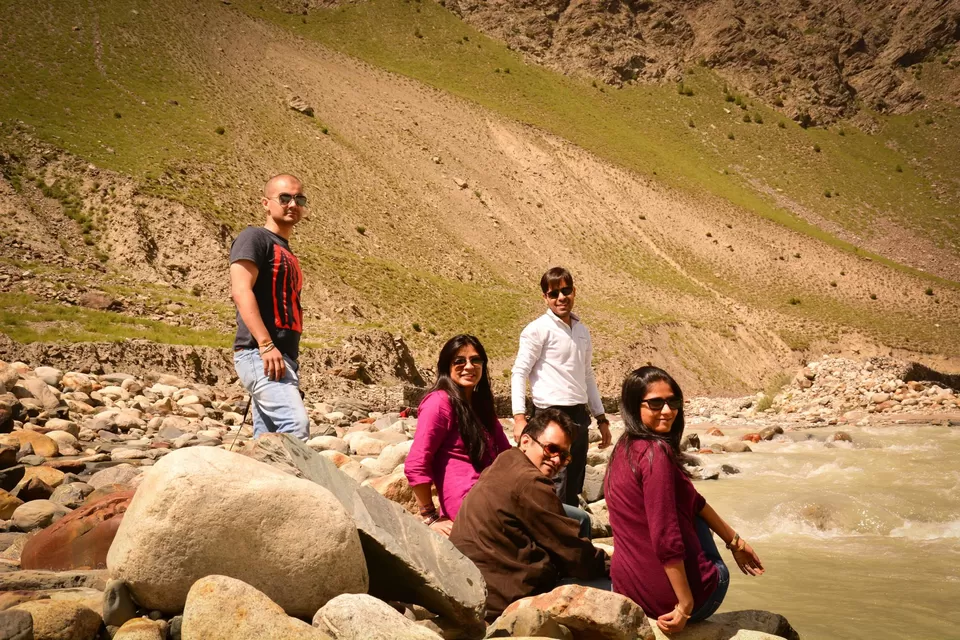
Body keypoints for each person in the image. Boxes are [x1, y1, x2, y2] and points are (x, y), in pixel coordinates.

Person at [604, 366, 764, 634]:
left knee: (686, 503)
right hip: (668, 602)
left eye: (673, 402)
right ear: (633, 406)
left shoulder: (623, 447)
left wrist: (736, 542)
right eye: (655, 403)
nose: (668, 411)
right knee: (692, 522)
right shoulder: (656, 453)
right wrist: (684, 605)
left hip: (628, 590)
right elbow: (666, 539)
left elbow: (694, 499)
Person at [449, 409, 610, 621]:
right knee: (609, 589)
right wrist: (613, 566)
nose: (556, 460)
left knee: (580, 517)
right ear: (525, 441)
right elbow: (575, 554)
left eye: (564, 456)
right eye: (551, 449)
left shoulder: (507, 459)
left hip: (469, 583)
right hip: (502, 598)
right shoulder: (531, 483)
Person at [511, 267, 611, 507]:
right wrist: (519, 418)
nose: (561, 298)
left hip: (579, 416)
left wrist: (601, 417)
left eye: (565, 291)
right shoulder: (537, 330)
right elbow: (519, 372)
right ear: (545, 297)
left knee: (575, 481)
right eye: (553, 293)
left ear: (574, 291)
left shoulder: (582, 330)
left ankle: (569, 526)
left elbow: (587, 375)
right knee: (554, 482)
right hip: (550, 416)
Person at [404, 335, 511, 536]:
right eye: (459, 361)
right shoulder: (439, 403)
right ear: (447, 366)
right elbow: (416, 463)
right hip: (470, 505)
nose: (469, 366)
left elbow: (507, 455)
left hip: (495, 497)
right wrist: (430, 516)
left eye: (475, 360)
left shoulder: (480, 407)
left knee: (567, 516)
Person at [230, 174, 309, 442]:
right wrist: (265, 344)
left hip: (281, 358)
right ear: (266, 203)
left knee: (267, 440)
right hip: (260, 353)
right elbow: (241, 290)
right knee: (295, 426)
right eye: (284, 198)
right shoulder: (254, 237)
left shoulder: (285, 249)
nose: (293, 204)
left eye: (299, 199)